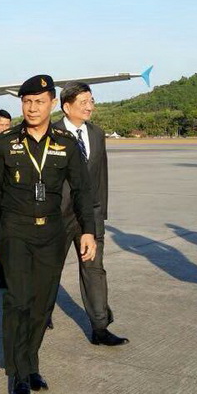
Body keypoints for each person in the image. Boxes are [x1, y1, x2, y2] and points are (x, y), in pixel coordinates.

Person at [0, 75, 96, 394]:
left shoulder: (66, 143)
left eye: (39, 101)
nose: (32, 108)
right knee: (18, 300)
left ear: (52, 104)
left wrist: (88, 230)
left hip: (51, 234)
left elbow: (82, 191)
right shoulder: (6, 143)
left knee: (42, 304)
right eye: (27, 102)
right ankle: (17, 374)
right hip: (15, 231)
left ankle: (30, 362)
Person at [55, 82, 128, 346]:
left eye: (92, 101)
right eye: (83, 102)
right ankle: (41, 313)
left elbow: (100, 175)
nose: (90, 107)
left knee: (94, 269)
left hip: (91, 216)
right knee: (51, 269)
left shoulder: (97, 133)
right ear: (67, 107)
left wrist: (100, 212)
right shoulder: (52, 133)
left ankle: (100, 327)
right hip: (58, 216)